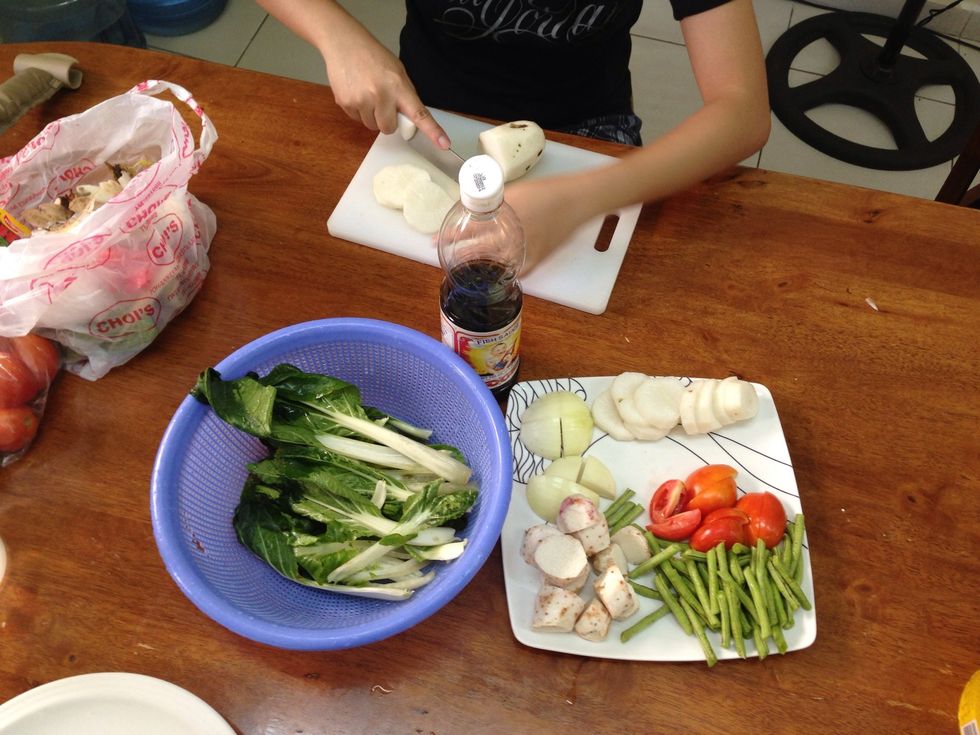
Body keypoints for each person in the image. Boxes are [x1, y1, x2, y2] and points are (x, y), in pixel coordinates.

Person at [257, 0, 771, 273]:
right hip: (430, 113)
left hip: (591, 129)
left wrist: (582, 196)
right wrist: (336, 34)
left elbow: (743, 112)